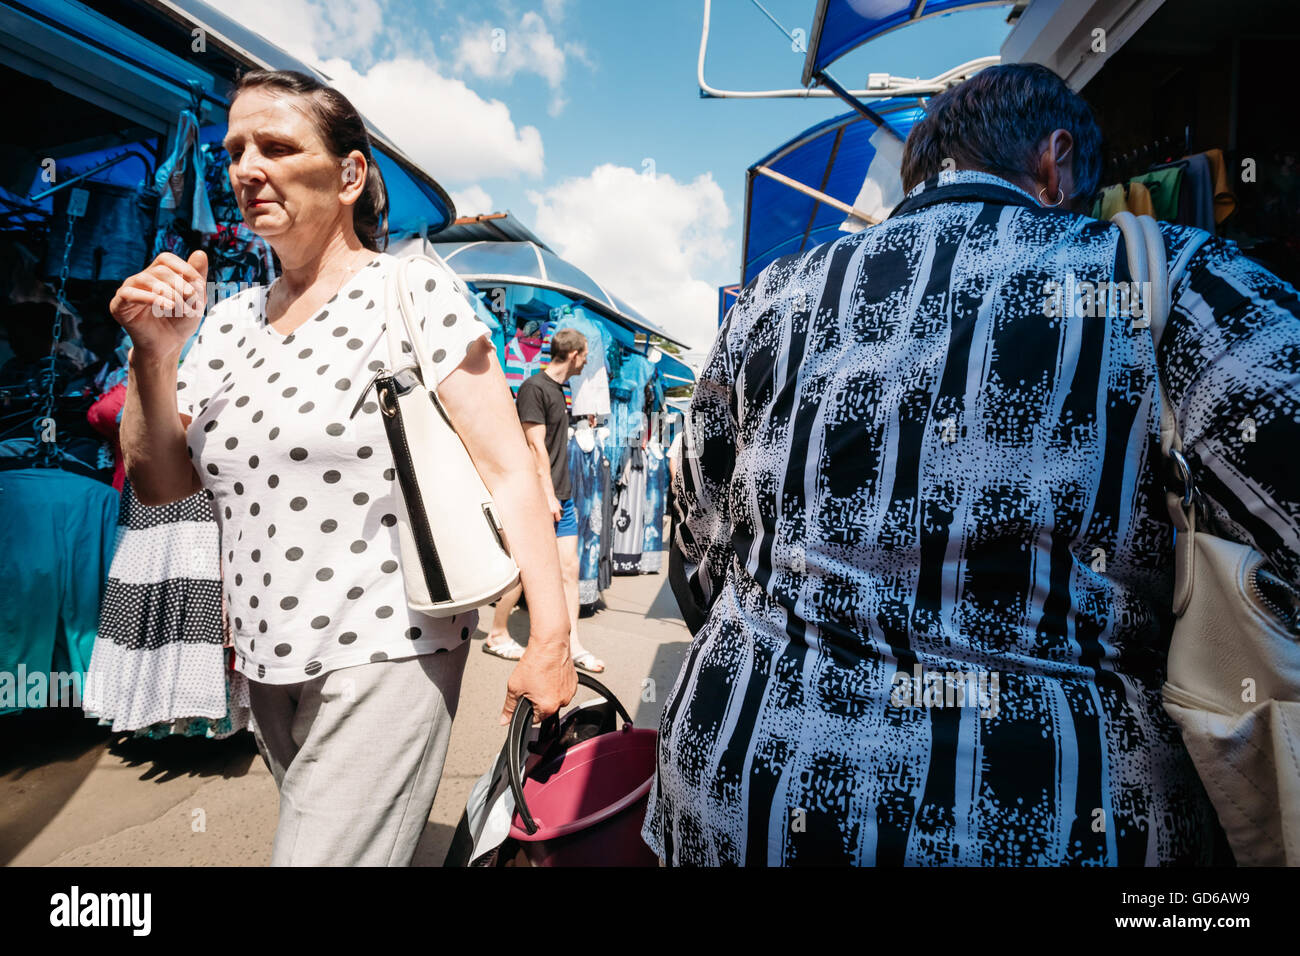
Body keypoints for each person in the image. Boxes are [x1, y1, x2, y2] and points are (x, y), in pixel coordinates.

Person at [645, 63, 1300, 865]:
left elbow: (699, 541)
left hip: (738, 796)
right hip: (1050, 820)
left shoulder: (777, 293)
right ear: (1056, 162)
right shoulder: (1170, 282)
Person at [110, 68, 575, 866]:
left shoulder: (411, 290)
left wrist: (552, 637)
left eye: (279, 146)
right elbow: (161, 488)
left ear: (350, 175)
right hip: (262, 665)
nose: (248, 167)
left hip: (391, 649)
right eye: (236, 150)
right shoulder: (222, 326)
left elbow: (509, 471)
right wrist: (151, 359)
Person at [485, 328, 606, 674]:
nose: (586, 361)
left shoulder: (560, 390)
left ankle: (572, 645)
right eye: (585, 355)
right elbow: (535, 445)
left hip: (561, 495)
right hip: (538, 496)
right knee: (524, 571)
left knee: (570, 570)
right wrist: (549, 495)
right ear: (574, 354)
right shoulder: (533, 388)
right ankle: (497, 633)